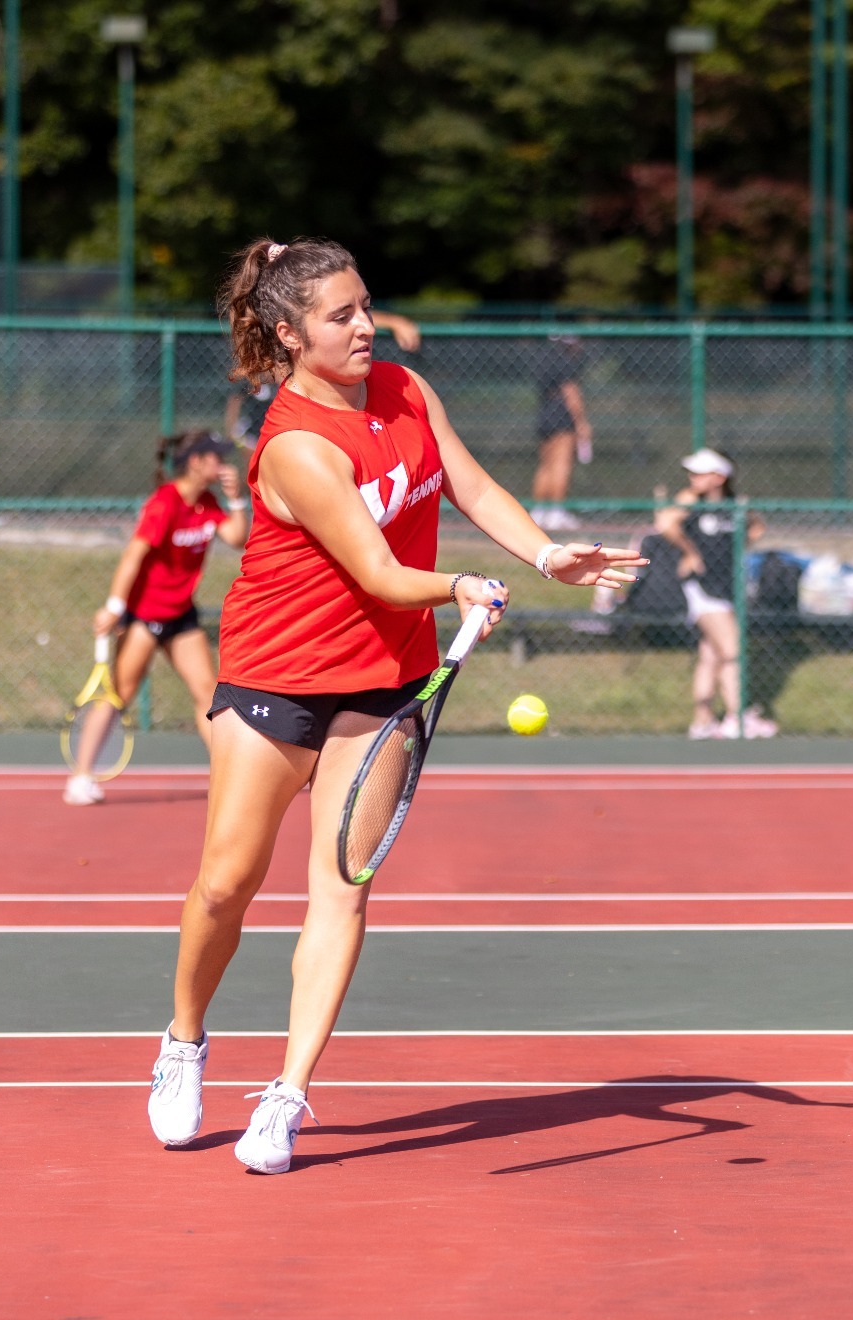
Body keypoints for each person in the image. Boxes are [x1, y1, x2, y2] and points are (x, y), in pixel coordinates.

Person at [147, 236, 644, 1173]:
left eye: (366, 306)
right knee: (225, 885)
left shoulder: (408, 391)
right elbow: (376, 569)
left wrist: (544, 554)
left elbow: (471, 481)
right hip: (275, 681)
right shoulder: (295, 444)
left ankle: (287, 1095)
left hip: (383, 685)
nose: (367, 326)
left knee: (342, 888)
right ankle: (185, 1039)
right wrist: (460, 583)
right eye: (343, 316)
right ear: (291, 335)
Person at [66, 431, 250, 806]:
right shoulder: (164, 503)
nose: (222, 464)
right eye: (215, 457)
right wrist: (115, 608)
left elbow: (235, 536)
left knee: (208, 694)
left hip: (181, 615)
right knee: (120, 693)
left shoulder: (208, 502)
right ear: (196, 461)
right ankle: (81, 776)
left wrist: (235, 499)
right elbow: (133, 556)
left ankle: (232, 776)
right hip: (144, 618)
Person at [656, 448, 777, 740]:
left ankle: (703, 721)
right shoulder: (690, 501)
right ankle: (738, 717)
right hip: (703, 586)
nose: (693, 477)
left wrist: (739, 547)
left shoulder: (735, 505)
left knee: (710, 655)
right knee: (732, 651)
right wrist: (690, 552)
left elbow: (758, 526)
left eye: (701, 473)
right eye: (692, 472)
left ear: (720, 477)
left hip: (727, 586)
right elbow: (664, 525)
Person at [224, 310, 422, 447]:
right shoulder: (263, 380)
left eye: (366, 307)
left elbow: (337, 314)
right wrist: (234, 435)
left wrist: (394, 322)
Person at [529, 333, 594, 531]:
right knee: (561, 464)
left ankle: (539, 512)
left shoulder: (544, 361)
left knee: (545, 465)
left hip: (545, 414)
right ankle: (557, 513)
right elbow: (571, 393)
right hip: (561, 417)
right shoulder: (566, 363)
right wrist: (582, 423)